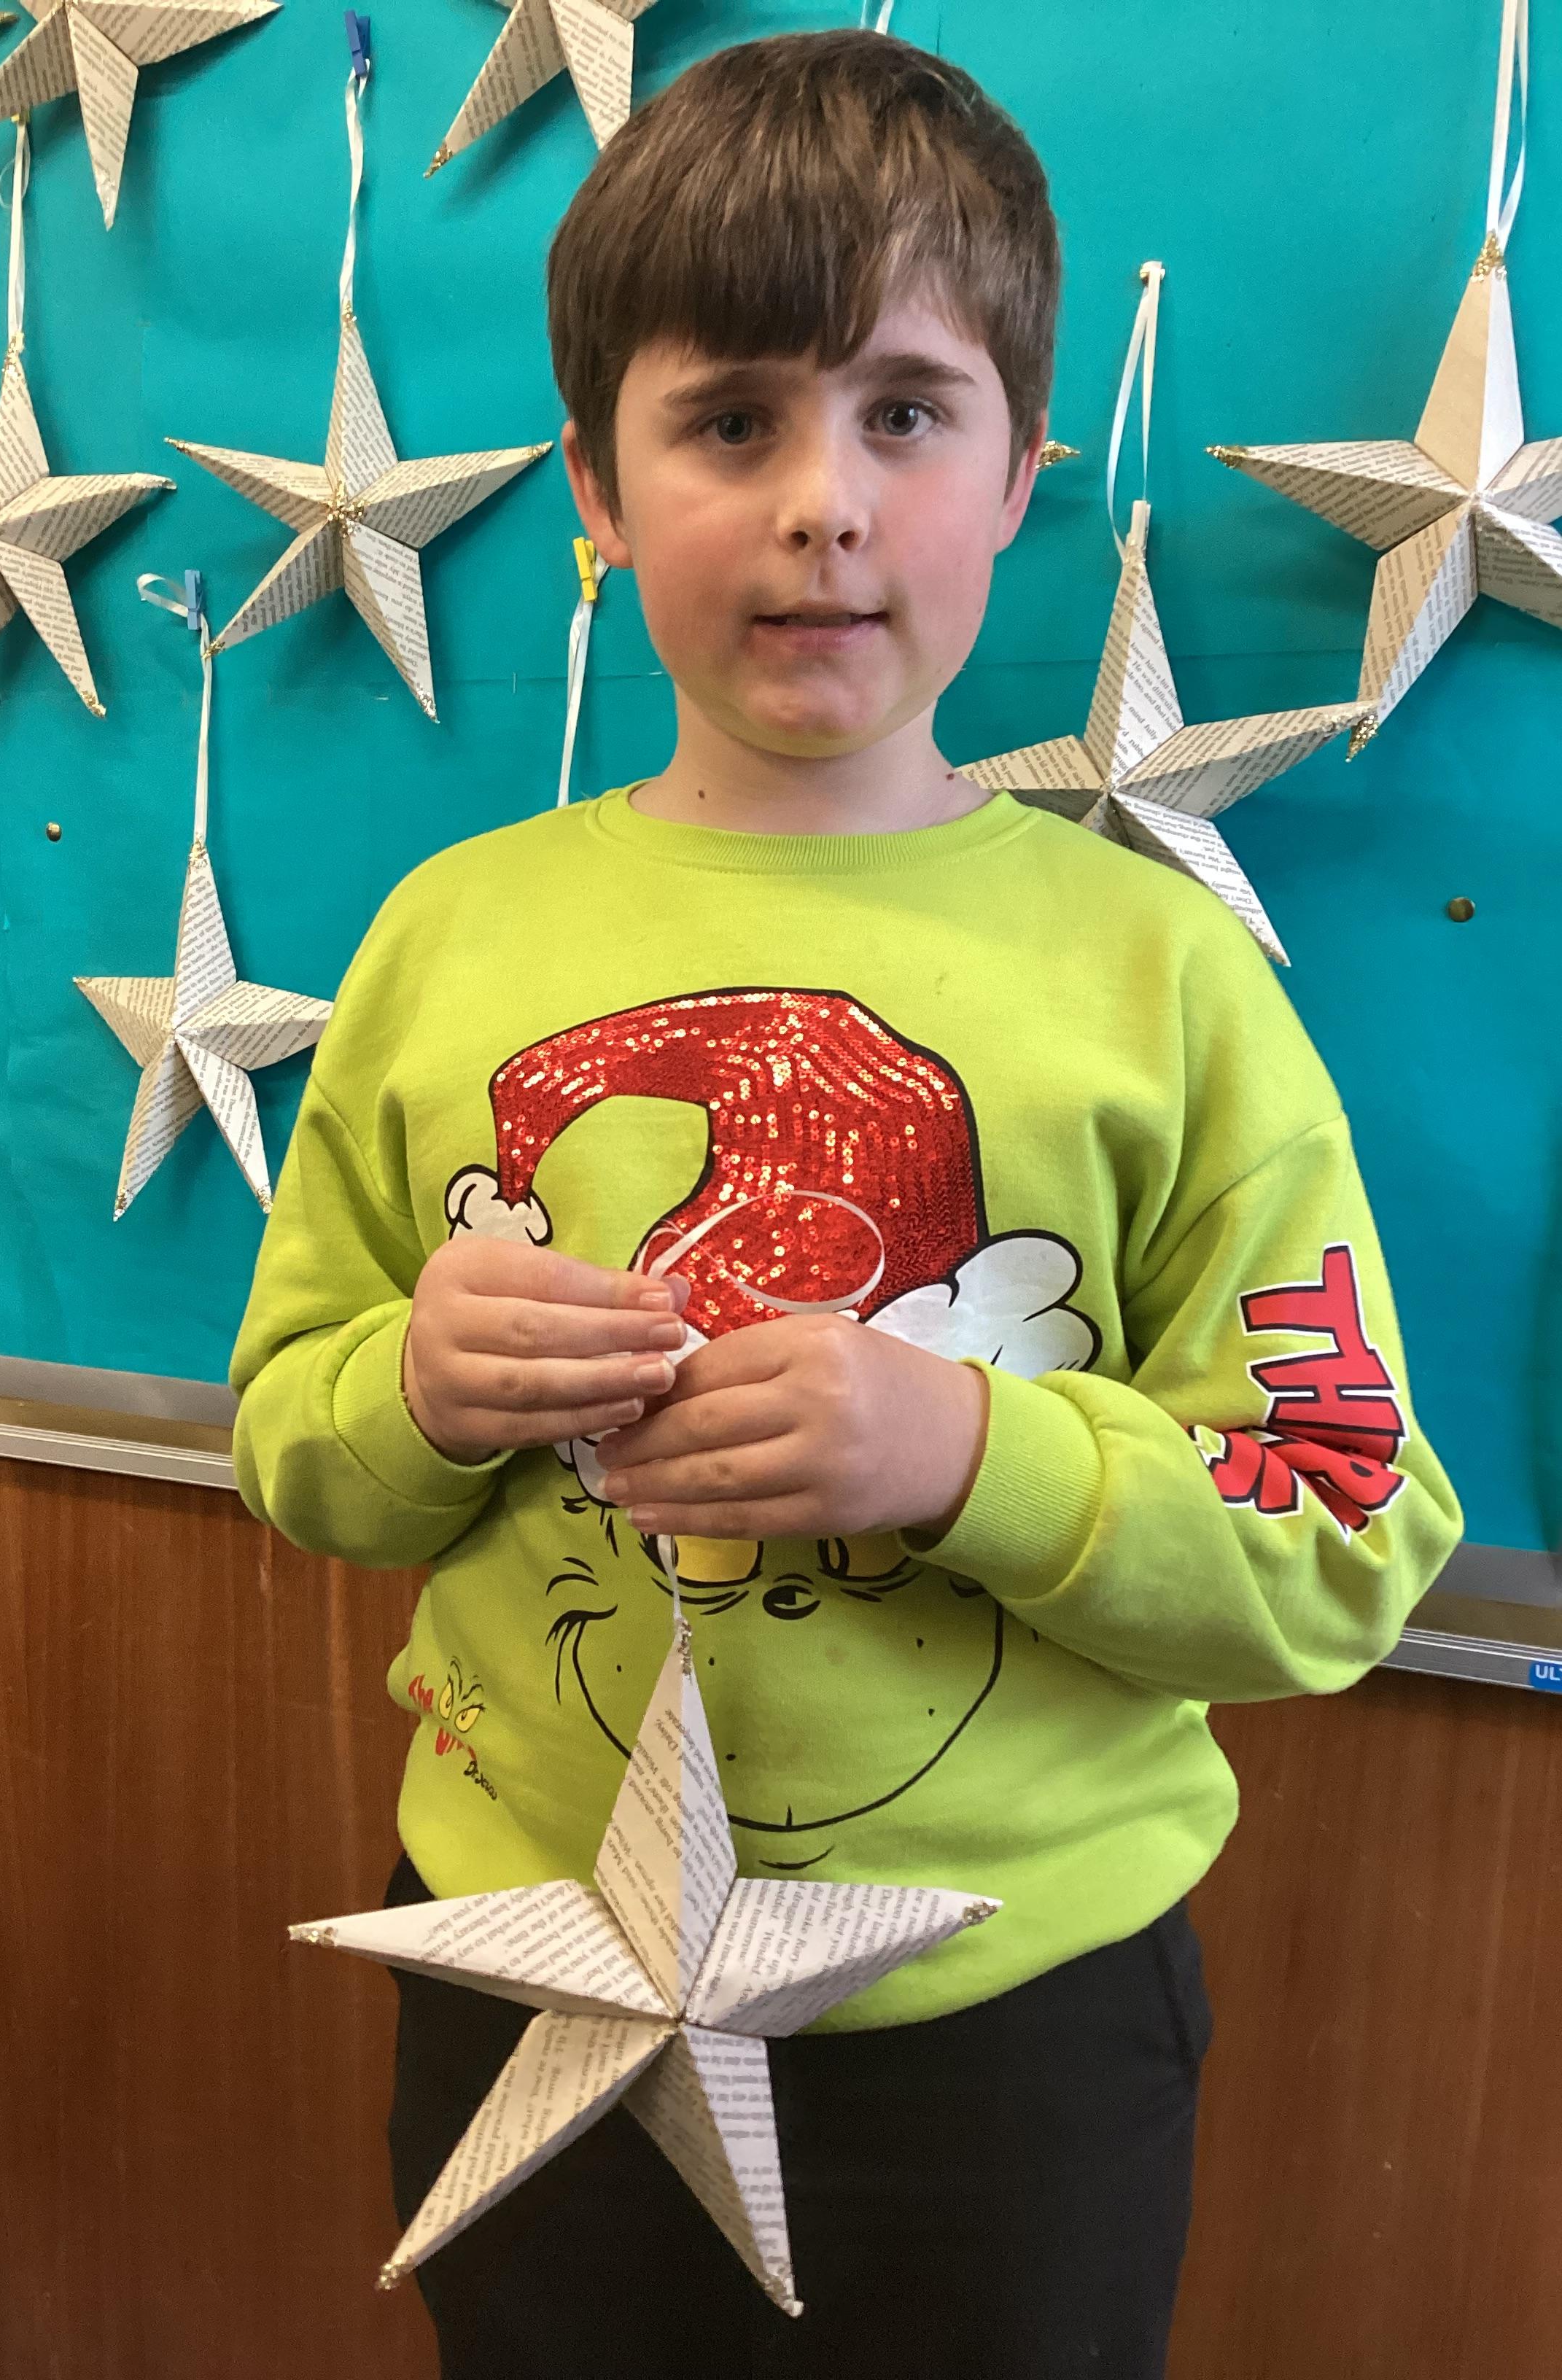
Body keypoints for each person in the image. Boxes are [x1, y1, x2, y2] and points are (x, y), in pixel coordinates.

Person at [230, 28, 1462, 2378]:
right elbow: (296, 1439)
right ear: (596, 486)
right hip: (533, 1968)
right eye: (729, 423)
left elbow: (1349, 1529)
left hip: (1006, 2041)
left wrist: (970, 1448)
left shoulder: (1167, 981)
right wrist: (417, 1387)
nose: (823, 505)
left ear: (1018, 473)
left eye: (905, 412)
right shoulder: (442, 942)